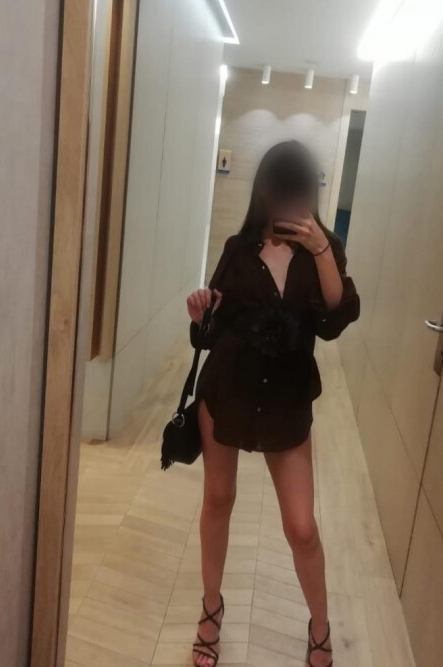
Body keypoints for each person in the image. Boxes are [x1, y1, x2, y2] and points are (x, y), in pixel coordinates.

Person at [186, 141, 360, 667]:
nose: (288, 200)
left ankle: (320, 627)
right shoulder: (239, 249)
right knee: (218, 501)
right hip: (228, 390)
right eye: (280, 189)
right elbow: (212, 331)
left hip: (286, 399)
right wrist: (202, 313)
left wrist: (322, 249)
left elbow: (334, 320)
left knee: (302, 527)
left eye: (297, 189)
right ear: (264, 190)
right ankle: (210, 610)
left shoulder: (323, 249)